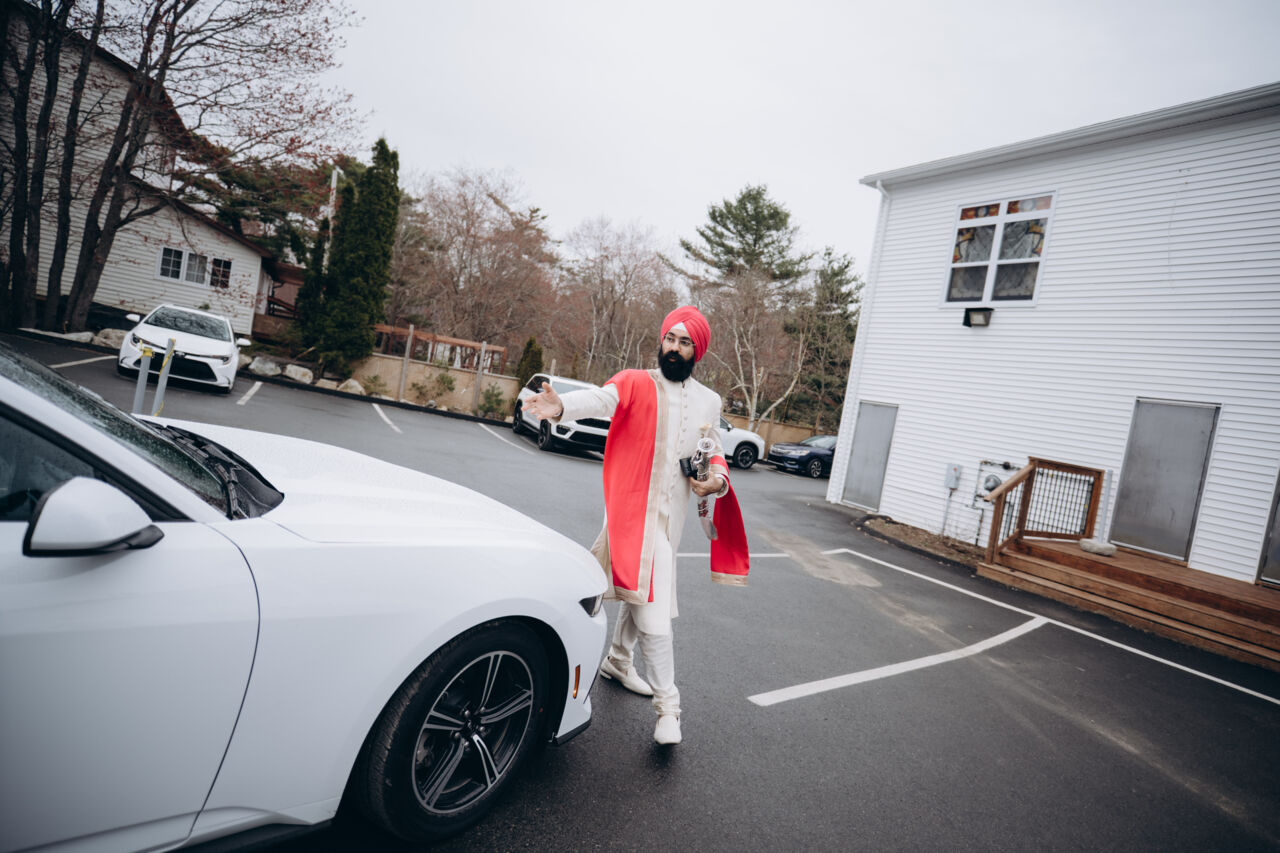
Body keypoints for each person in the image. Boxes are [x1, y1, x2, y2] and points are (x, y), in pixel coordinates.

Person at [522, 305, 748, 746]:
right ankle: (669, 707)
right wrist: (561, 406)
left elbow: (714, 449)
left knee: (640, 586)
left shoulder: (709, 401)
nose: (674, 348)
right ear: (661, 341)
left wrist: (717, 480)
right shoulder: (634, 381)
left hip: (671, 518)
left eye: (684, 343)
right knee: (654, 608)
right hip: (630, 512)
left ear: (697, 350)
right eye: (670, 339)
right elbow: (601, 399)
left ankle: (619, 661)